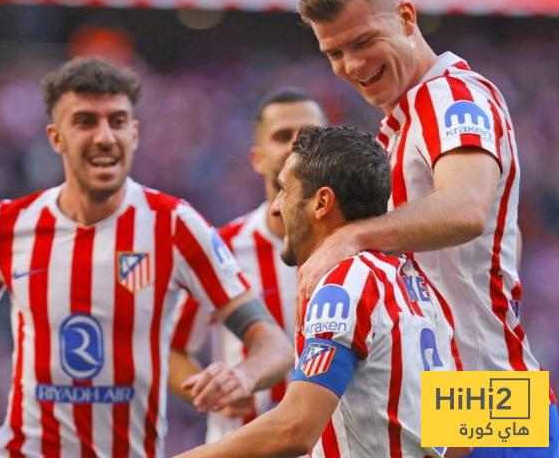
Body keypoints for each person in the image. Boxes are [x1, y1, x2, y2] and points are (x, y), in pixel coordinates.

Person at [0, 57, 292, 458]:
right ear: (56, 137)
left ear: (134, 133)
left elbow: (273, 344)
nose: (104, 137)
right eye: (85, 122)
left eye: (116, 121)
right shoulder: (5, 226)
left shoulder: (175, 225)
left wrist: (243, 376)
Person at [295, 0, 557, 457]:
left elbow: (466, 208)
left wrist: (354, 235)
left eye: (364, 41)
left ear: (406, 17)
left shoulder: (451, 96)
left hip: (487, 394)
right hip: (451, 398)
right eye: (335, 53)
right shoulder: (402, 123)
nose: (352, 65)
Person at [176, 125, 462, 458]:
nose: (276, 207)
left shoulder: (346, 284)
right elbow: (458, 441)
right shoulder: (421, 287)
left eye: (285, 190)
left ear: (322, 202)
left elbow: (296, 428)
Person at [168, 87, 326, 443]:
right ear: (256, 158)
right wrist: (212, 390)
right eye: (282, 136)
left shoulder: (365, 244)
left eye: (310, 135)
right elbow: (172, 349)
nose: (297, 146)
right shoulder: (222, 248)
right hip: (246, 444)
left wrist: (449, 436)